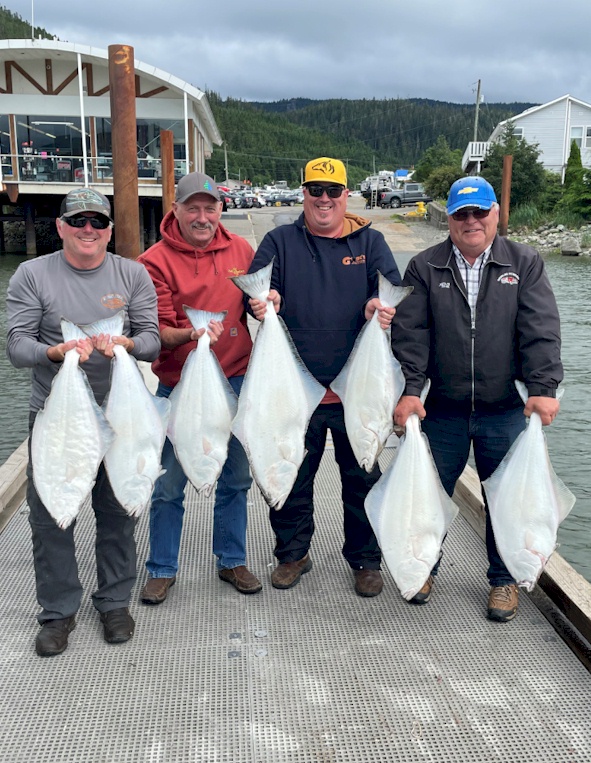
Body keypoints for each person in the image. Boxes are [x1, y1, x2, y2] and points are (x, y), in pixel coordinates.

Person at [392, 175, 563, 622]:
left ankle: (503, 580)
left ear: (495, 214)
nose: (471, 222)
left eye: (479, 212)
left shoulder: (524, 263)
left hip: (504, 407)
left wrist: (543, 389)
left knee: (508, 500)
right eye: (461, 214)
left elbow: (540, 330)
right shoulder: (424, 266)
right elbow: (411, 336)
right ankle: (424, 565)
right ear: (448, 218)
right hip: (441, 408)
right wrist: (411, 391)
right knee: (428, 493)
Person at [6, 187, 161, 656]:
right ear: (60, 227)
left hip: (121, 412)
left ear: (110, 230)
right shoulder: (31, 274)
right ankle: (57, 612)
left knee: (119, 513)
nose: (88, 230)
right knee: (52, 515)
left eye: (97, 222)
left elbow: (152, 339)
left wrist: (128, 346)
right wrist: (56, 351)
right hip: (58, 417)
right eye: (78, 221)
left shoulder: (132, 274)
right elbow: (17, 346)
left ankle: (114, 602)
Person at [248, 156, 402, 597]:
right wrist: (261, 302)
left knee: (362, 478)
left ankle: (365, 560)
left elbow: (390, 292)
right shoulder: (278, 241)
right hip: (295, 393)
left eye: (333, 191)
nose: (324, 199)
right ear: (303, 194)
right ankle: (292, 555)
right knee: (292, 476)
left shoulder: (370, 241)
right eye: (316, 190)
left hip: (356, 393)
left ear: (346, 195)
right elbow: (254, 295)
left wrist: (381, 307)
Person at [138, 171, 261, 603]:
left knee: (236, 475)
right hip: (177, 382)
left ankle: (232, 559)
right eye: (193, 207)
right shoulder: (153, 260)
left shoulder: (242, 249)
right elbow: (158, 328)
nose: (202, 216)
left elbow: (252, 304)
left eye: (210, 208)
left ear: (220, 210)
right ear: (177, 210)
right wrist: (190, 335)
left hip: (237, 374)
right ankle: (162, 567)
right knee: (167, 481)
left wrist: (266, 304)